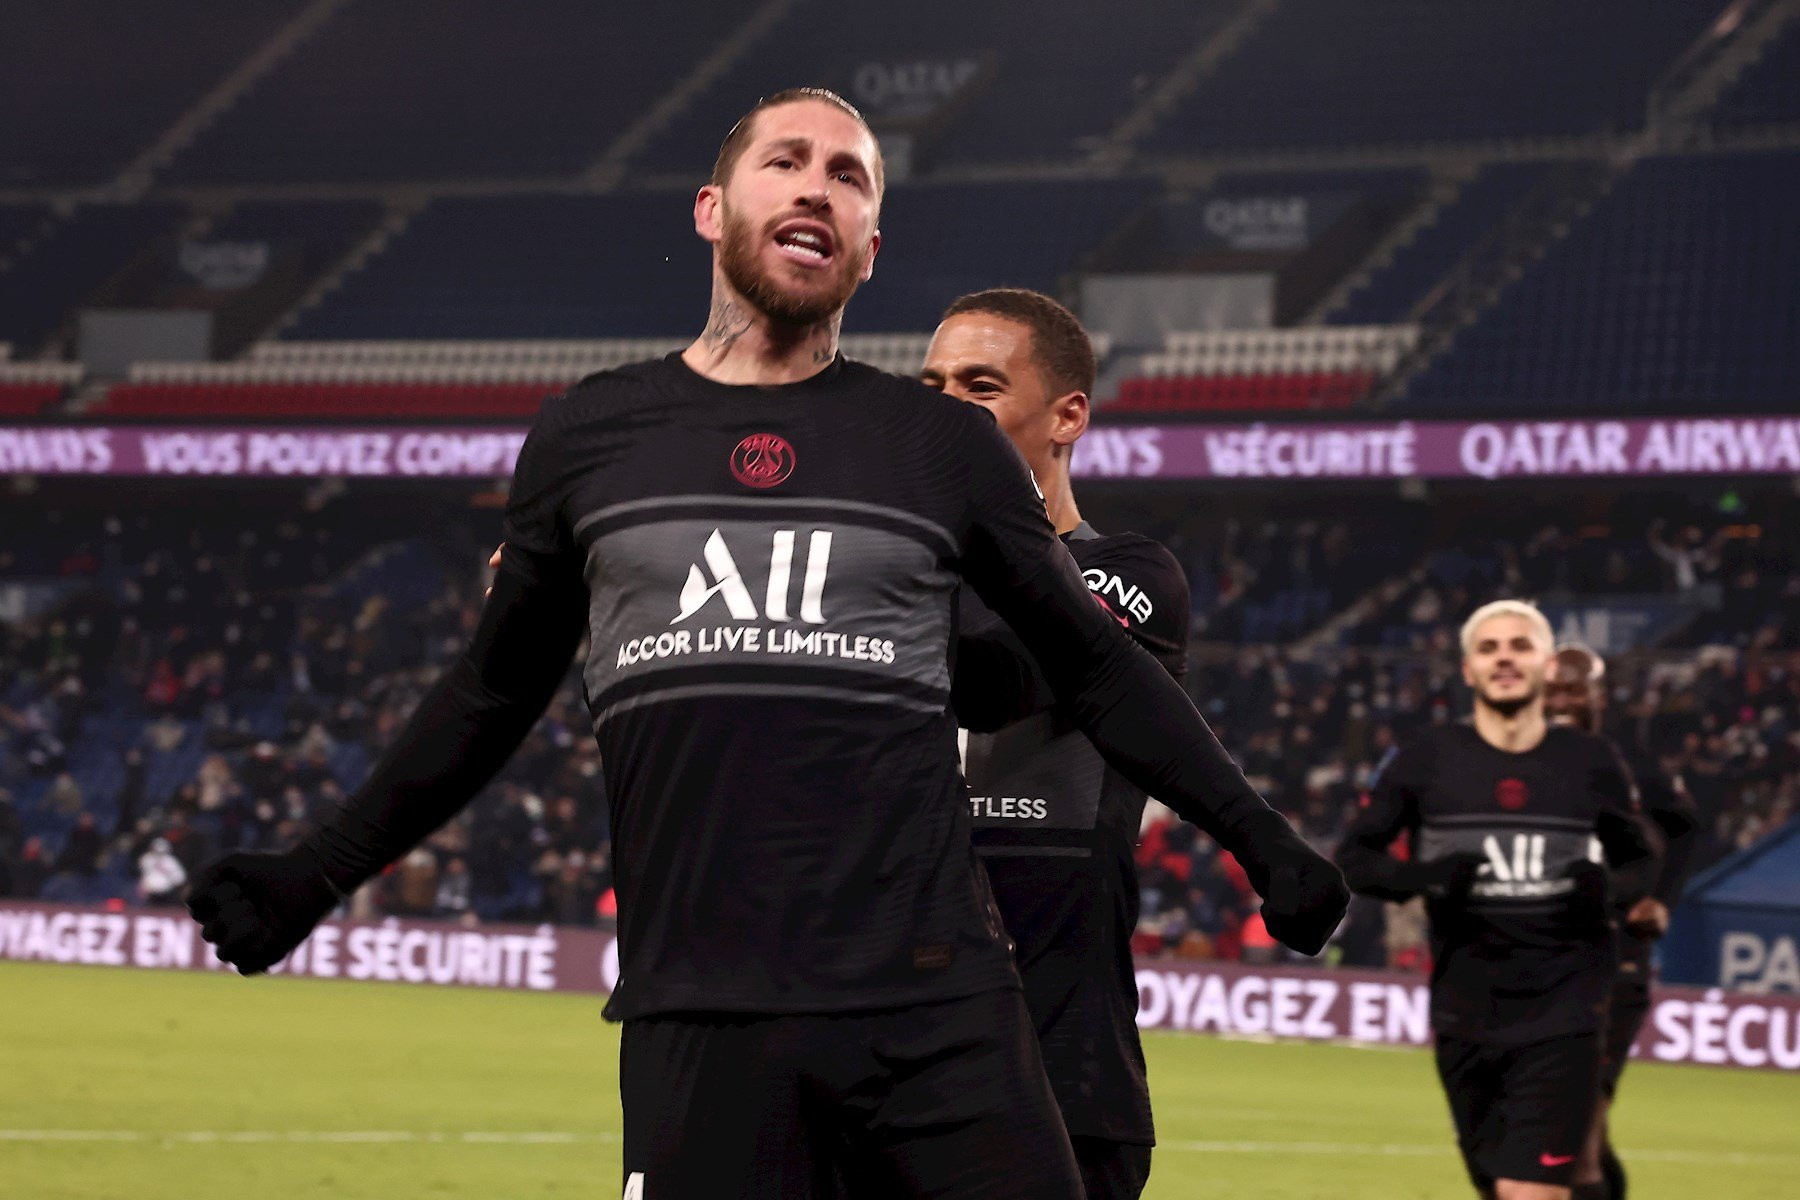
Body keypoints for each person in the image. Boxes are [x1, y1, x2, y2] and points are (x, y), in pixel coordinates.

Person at [187, 87, 1346, 1199]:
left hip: (936, 1008)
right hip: (703, 1012)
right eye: (786, 161)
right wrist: (316, 870)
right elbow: (490, 693)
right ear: (713, 208)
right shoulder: (591, 437)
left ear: (870, 247)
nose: (818, 187)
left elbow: (1096, 668)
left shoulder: (936, 450)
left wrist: (1264, 841)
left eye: (849, 176)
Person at [917, 288, 1186, 1200]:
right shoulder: (884, 577)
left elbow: (1003, 678)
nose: (946, 405)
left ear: (1068, 414)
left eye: (980, 385)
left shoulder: (1129, 574)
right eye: (933, 383)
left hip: (1062, 1059)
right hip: (896, 1045)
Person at [1335, 600, 1652, 1200]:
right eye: (1489, 648)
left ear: (1545, 665)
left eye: (1519, 645)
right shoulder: (1427, 760)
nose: (1504, 657)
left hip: (1567, 1011)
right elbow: (1357, 860)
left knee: (1526, 1190)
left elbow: (1642, 860)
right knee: (1500, 1185)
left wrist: (1604, 893)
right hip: (1466, 1013)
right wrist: (1428, 878)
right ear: (1467, 670)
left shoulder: (1590, 763)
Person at [1543, 644, 1697, 1200]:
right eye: (1553, 689)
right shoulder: (1517, 760)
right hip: (1540, 958)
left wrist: (1661, 899)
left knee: (1580, 1125)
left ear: (1599, 696)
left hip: (1614, 958)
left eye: (1574, 689)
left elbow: (1683, 830)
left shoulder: (1632, 763)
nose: (1563, 700)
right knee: (1573, 1129)